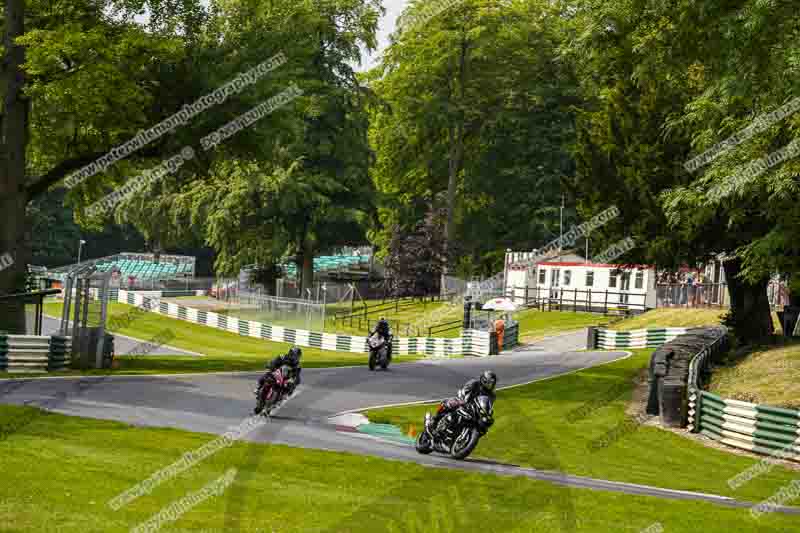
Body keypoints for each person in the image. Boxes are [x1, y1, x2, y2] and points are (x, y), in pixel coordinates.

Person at [428, 370, 497, 437]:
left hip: (474, 411)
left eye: (492, 383)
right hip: (464, 402)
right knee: (449, 404)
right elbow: (465, 389)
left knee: (483, 426)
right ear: (484, 380)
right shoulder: (474, 383)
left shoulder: (492, 395)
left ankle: (465, 438)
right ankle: (434, 420)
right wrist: (463, 396)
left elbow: (489, 406)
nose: (490, 385)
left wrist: (488, 414)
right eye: (489, 382)